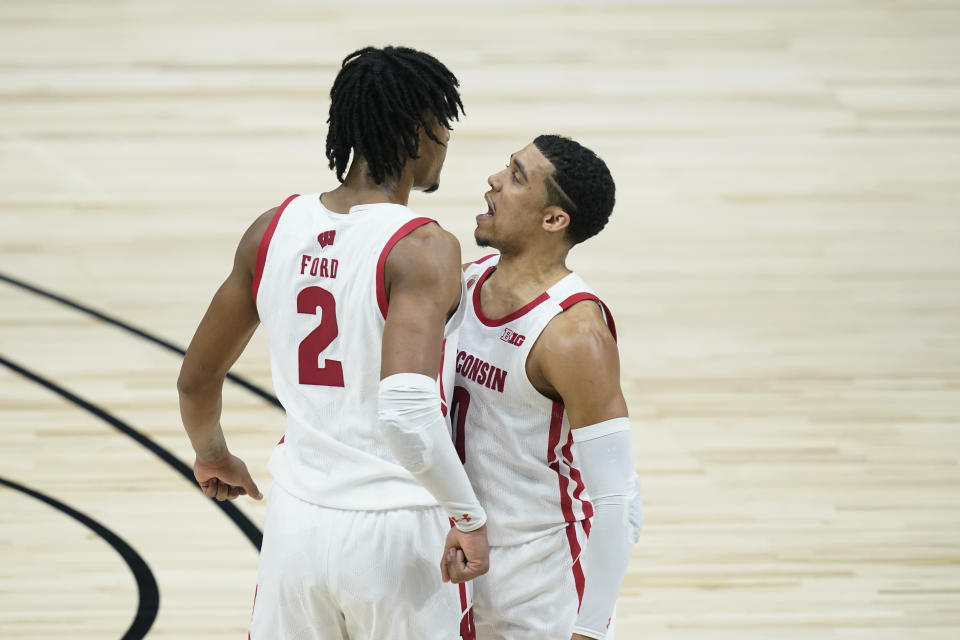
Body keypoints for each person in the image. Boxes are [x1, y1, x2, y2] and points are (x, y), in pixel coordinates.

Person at [177, 45, 489, 640]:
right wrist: (468, 516)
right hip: (397, 531)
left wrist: (213, 452)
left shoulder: (272, 229)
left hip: (296, 525)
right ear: (421, 132)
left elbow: (195, 380)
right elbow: (408, 408)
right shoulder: (422, 246)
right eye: (444, 126)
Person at [447, 135, 638, 640]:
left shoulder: (575, 335)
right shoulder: (461, 284)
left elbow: (618, 499)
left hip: (539, 589)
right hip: (454, 568)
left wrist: (590, 629)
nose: (493, 181)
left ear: (554, 220)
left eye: (515, 176)